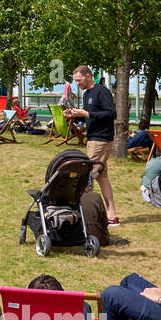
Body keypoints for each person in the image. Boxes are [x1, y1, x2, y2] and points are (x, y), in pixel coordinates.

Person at [65, 66, 120, 226]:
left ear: (88, 76)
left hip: (101, 140)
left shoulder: (101, 91)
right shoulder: (87, 94)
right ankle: (112, 216)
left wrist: (86, 113)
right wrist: (75, 116)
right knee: (102, 177)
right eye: (75, 81)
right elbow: (90, 118)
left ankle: (86, 215)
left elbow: (111, 113)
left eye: (79, 80)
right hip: (92, 138)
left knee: (87, 177)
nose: (77, 84)